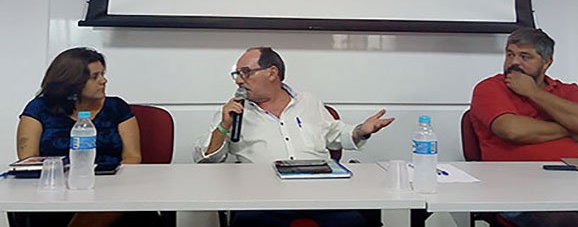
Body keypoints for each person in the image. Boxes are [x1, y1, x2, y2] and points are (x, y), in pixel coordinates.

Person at [194, 47, 395, 227]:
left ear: (272, 72)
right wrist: (223, 127)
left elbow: (337, 134)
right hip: (262, 201)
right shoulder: (234, 111)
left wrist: (362, 130)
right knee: (247, 222)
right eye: (236, 74)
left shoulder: (308, 102)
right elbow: (206, 161)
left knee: (355, 221)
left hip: (322, 197)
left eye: (245, 72)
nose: (238, 80)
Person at [470, 28, 578, 227]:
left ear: (547, 62)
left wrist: (533, 92)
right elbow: (512, 130)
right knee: (566, 224)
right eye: (510, 54)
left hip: (577, 183)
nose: (514, 62)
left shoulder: (570, 91)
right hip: (515, 189)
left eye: (525, 57)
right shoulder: (490, 88)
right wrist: (572, 128)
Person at [15, 47, 159, 227]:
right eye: (95, 76)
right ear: (72, 82)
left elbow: (132, 157)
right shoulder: (39, 108)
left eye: (103, 74)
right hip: (56, 191)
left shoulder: (117, 107)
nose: (104, 80)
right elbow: (28, 159)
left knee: (130, 210)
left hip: (111, 189)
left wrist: (102, 185)